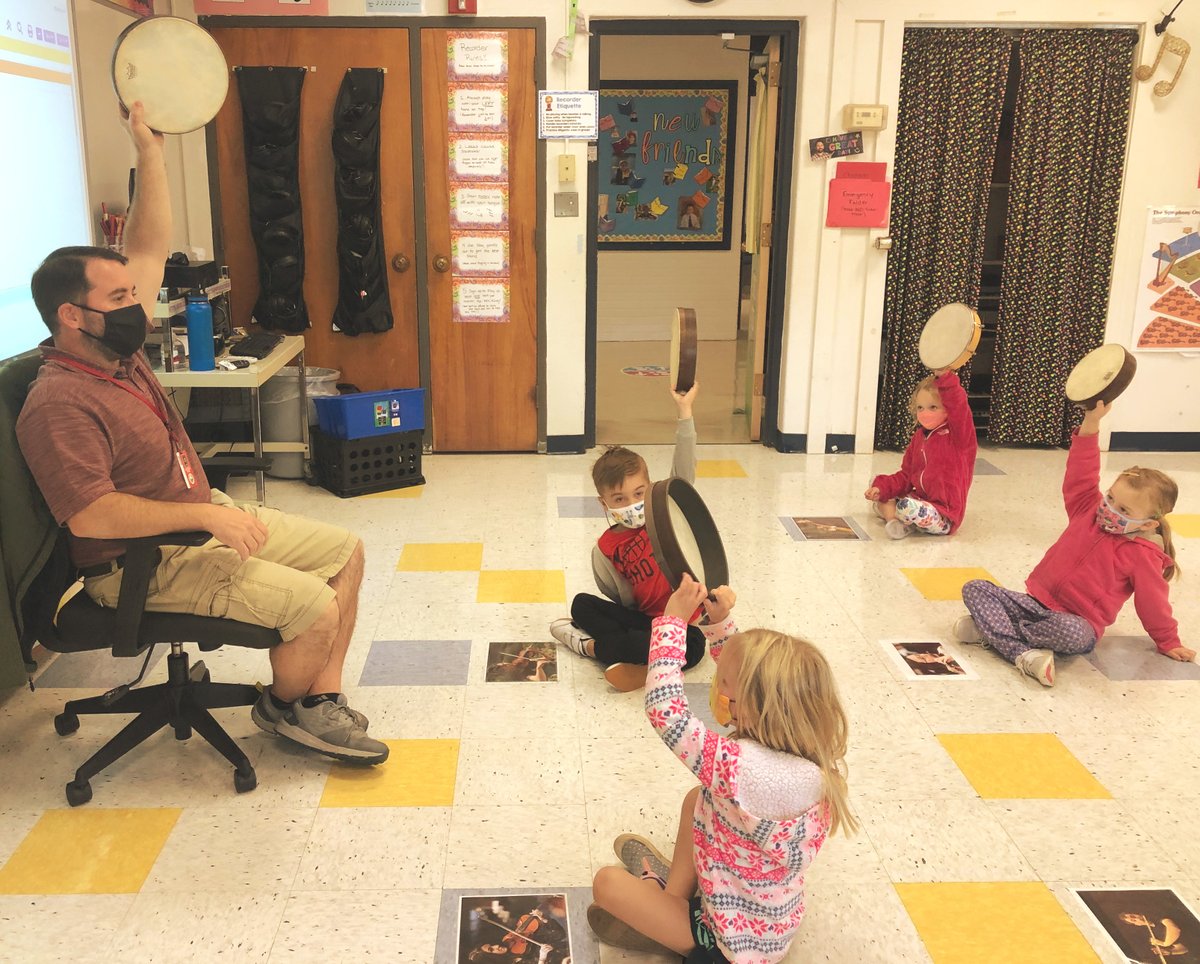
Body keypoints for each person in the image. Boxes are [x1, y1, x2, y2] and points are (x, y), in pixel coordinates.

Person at [15, 103, 387, 765]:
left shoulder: (115, 354)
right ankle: (285, 710)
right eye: (119, 299)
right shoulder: (58, 402)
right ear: (72, 316)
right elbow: (92, 516)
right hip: (141, 563)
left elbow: (148, 247)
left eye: (132, 294)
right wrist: (208, 519)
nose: (136, 306)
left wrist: (150, 152)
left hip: (194, 519)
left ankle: (314, 701)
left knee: (345, 553)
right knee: (313, 608)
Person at [588, 575, 856, 963]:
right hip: (771, 925)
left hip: (726, 945)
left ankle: (668, 919)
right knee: (696, 798)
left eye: (725, 684)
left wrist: (672, 622)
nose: (720, 688)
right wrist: (719, 624)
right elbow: (751, 677)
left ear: (751, 705)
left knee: (607, 884)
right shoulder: (810, 761)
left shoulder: (737, 766)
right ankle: (671, 901)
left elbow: (665, 710)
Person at [954, 401, 1192, 687]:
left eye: (1124, 510)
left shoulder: (1143, 555)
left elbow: (1152, 602)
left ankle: (998, 636)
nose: (1110, 508)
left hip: (1076, 623)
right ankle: (1018, 647)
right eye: (1110, 497)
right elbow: (1082, 472)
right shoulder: (1087, 509)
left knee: (1074, 635)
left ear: (1148, 524)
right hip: (1034, 604)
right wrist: (1091, 422)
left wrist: (1168, 641)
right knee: (975, 588)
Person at [549, 383, 699, 691]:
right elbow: (622, 600)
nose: (631, 504)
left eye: (639, 493)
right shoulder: (604, 549)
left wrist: (685, 411)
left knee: (695, 646)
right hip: (646, 621)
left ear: (650, 488)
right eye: (619, 499)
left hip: (683, 622)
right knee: (581, 605)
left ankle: (591, 648)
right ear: (604, 503)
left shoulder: (664, 512)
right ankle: (642, 657)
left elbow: (684, 469)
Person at [865, 368, 977, 539]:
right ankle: (894, 522)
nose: (925, 413)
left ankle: (900, 517)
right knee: (880, 487)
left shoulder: (959, 435)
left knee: (906, 507)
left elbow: (959, 405)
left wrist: (945, 377)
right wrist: (881, 488)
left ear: (947, 409)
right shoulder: (919, 437)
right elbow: (906, 476)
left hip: (944, 514)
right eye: (920, 408)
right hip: (919, 500)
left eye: (933, 407)